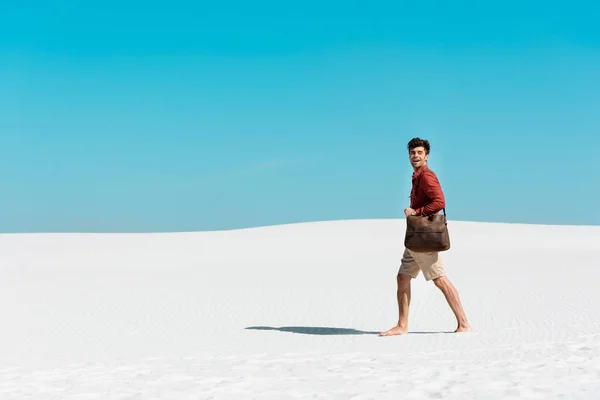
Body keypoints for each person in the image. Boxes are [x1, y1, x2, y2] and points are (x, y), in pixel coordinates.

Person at [380, 137, 472, 336]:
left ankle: (464, 323)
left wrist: (417, 211)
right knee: (402, 277)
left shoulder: (427, 176)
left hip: (424, 238)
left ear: (426, 156)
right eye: (413, 153)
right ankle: (402, 325)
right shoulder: (416, 177)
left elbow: (440, 201)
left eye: (420, 153)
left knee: (440, 279)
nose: (416, 156)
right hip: (415, 239)